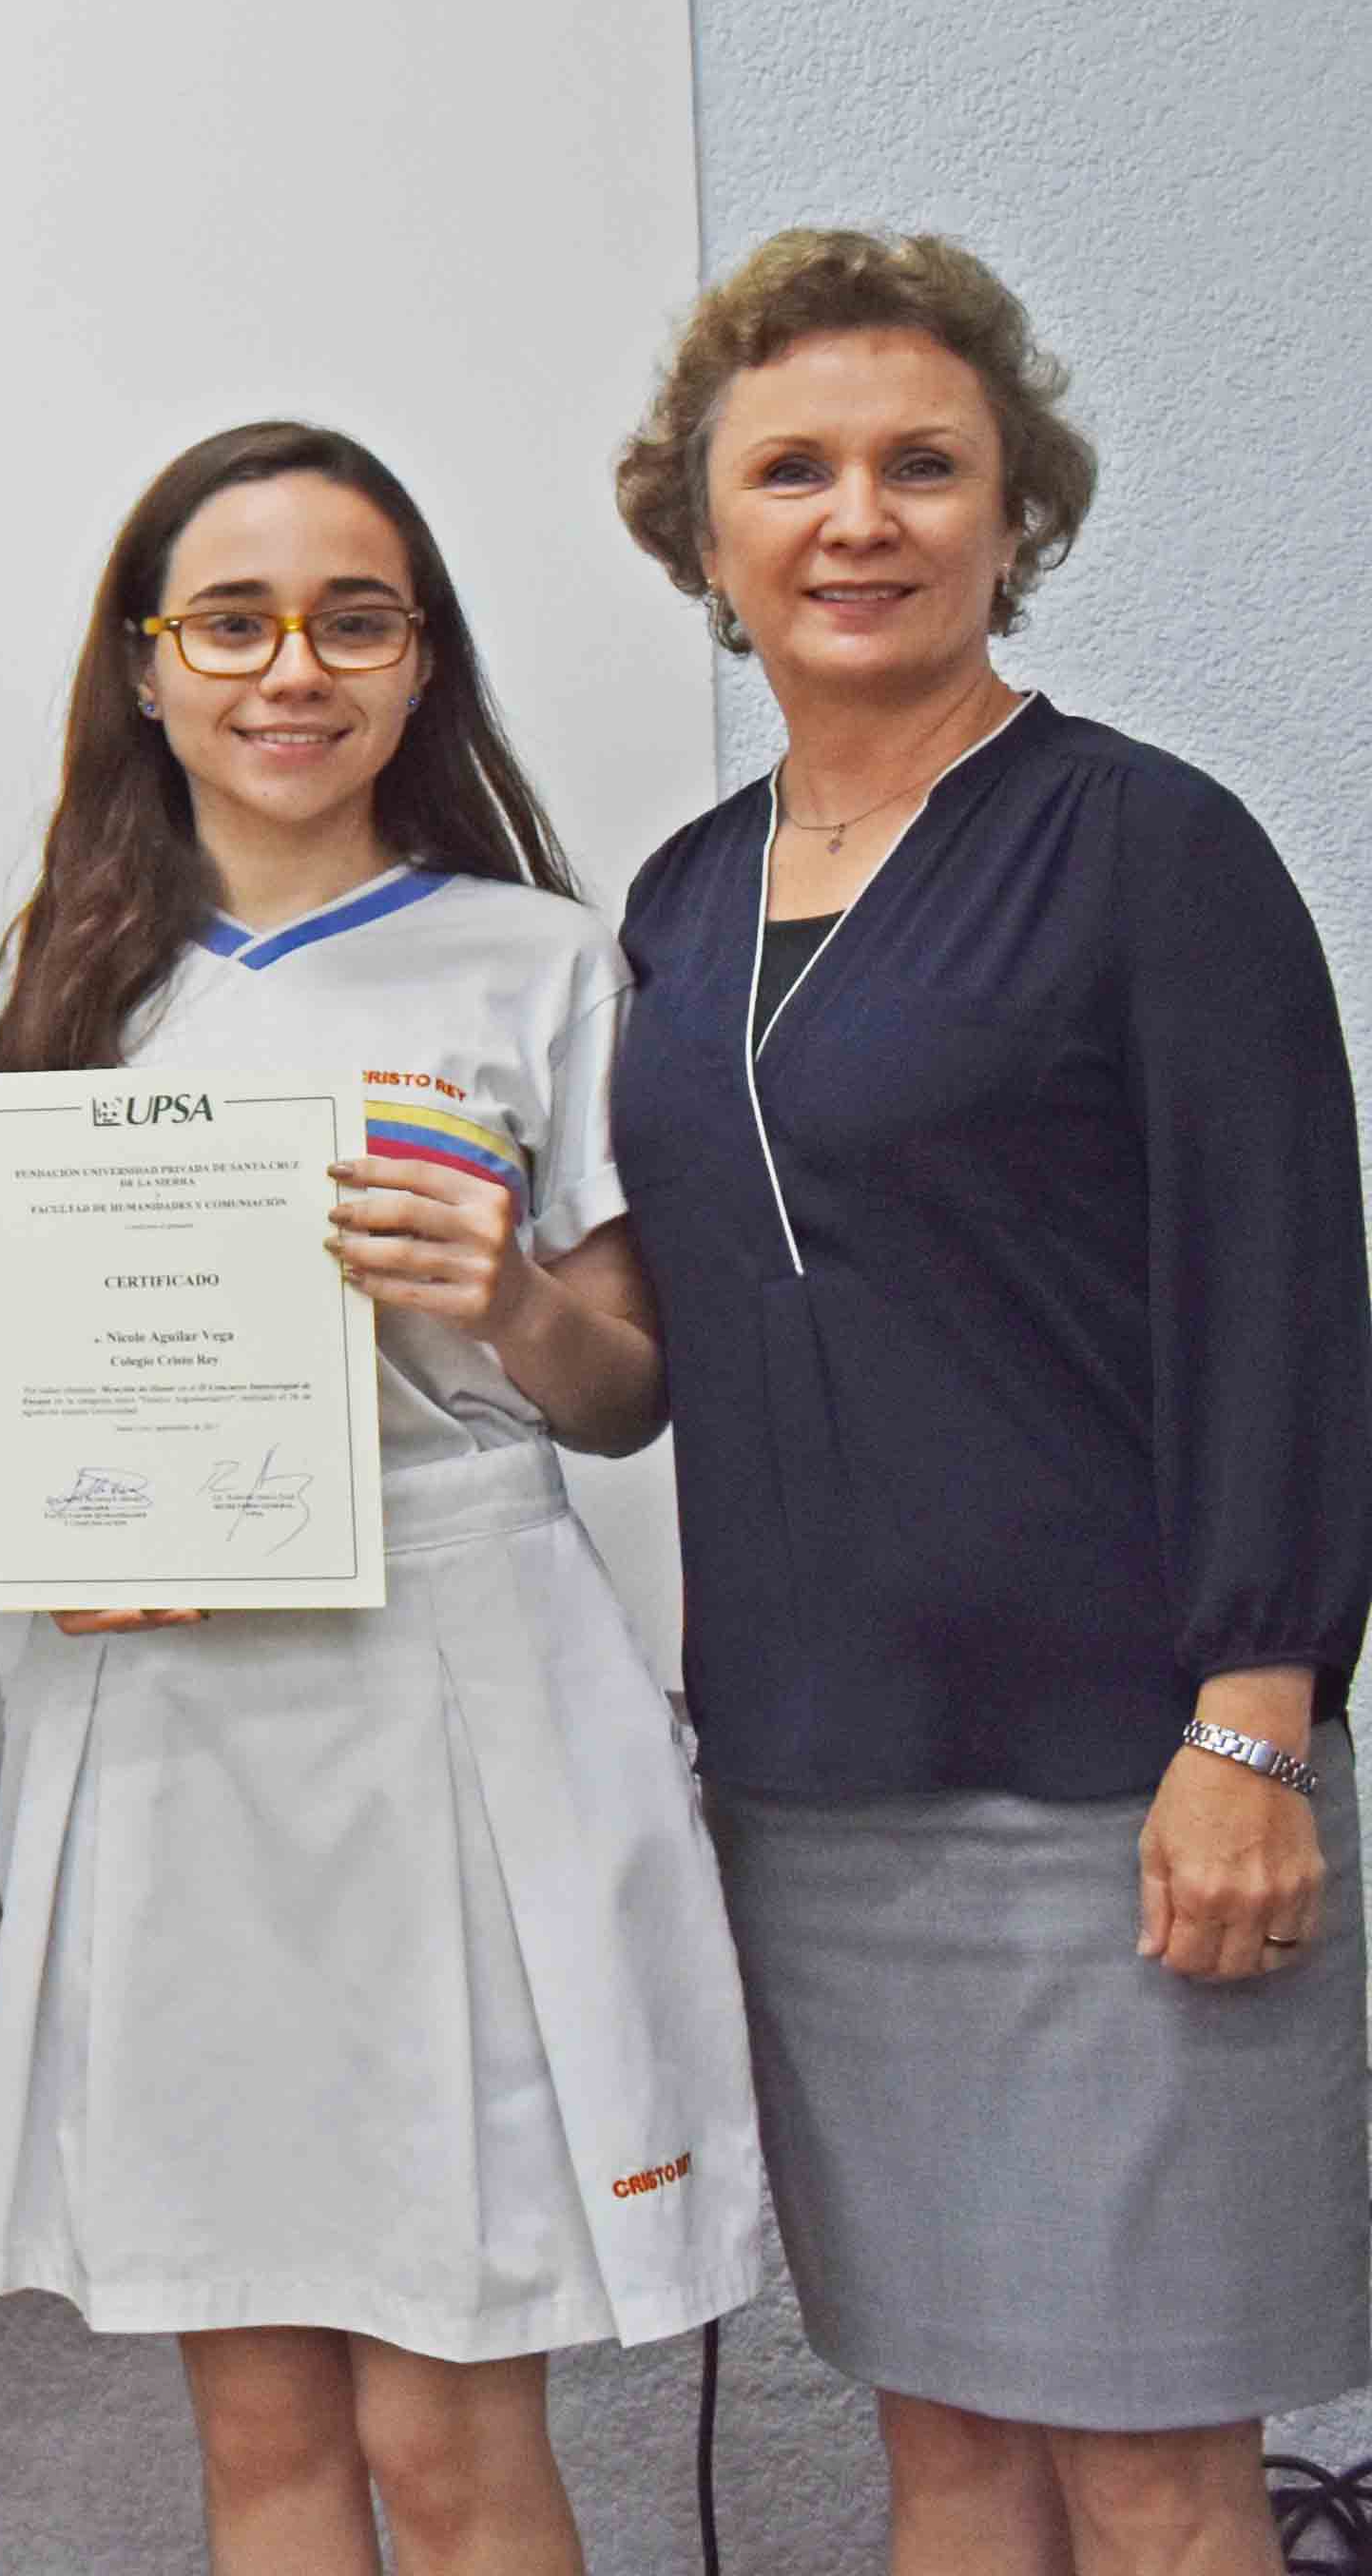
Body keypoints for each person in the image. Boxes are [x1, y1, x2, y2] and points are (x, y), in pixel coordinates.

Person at [605, 232, 1370, 2574]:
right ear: (702, 535)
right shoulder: (674, 896)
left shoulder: (1148, 845)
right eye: (794, 470)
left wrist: (1252, 1719)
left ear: (1008, 513)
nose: (858, 516)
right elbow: (659, 1329)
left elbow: (1282, 1300)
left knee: (1148, 2467)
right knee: (940, 2441)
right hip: (815, 1783)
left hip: (1123, 1788)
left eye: (920, 465)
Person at [0, 420, 767, 2575]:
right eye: (228, 617)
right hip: (173, 1729)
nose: (286, 664)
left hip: (442, 1712)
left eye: (351, 616)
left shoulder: (533, 959)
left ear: (420, 662)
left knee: (445, 2423)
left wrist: (500, 1288)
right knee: (256, 2430)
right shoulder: (62, 973)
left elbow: (623, 1395)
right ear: (143, 664)